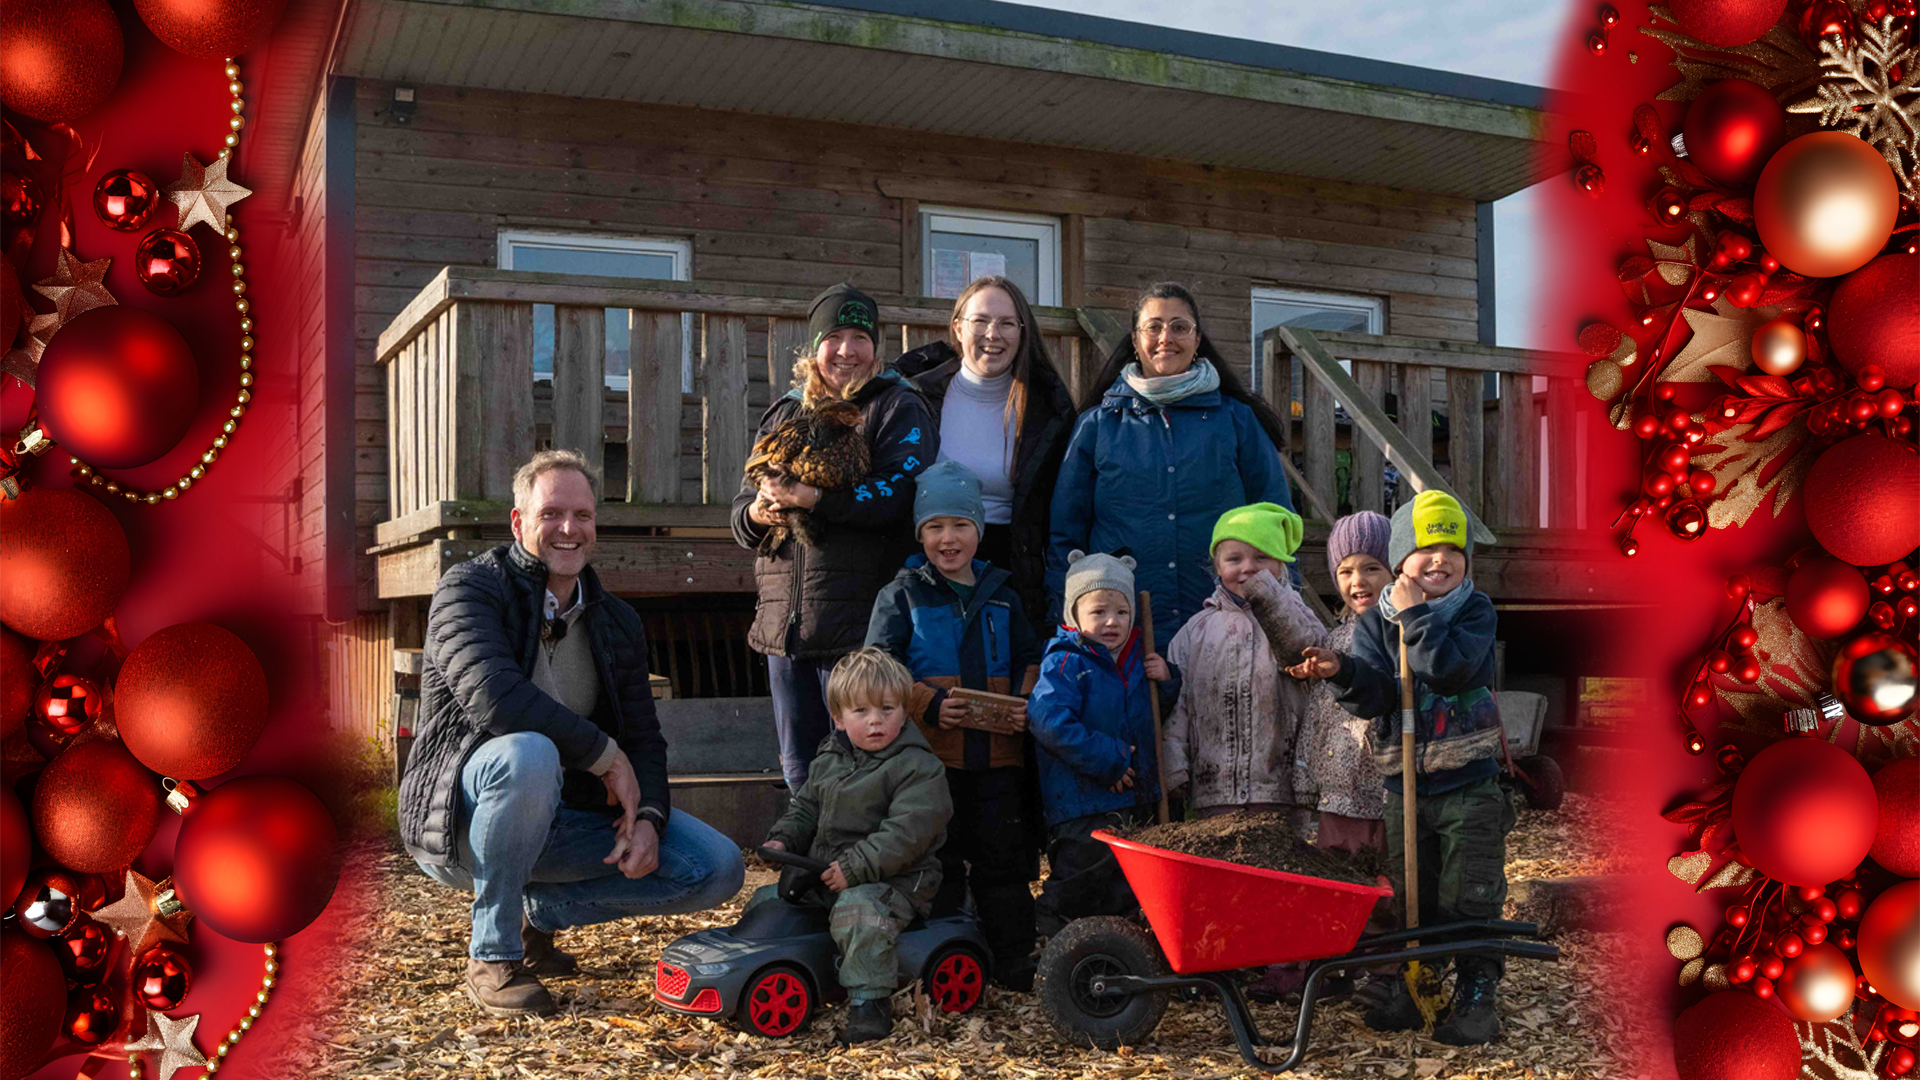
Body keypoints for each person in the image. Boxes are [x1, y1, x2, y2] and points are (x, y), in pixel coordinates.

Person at [401, 450, 746, 1018]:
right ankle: (494, 955)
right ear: (519, 522)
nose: (569, 529)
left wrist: (651, 818)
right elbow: (496, 699)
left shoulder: (617, 621)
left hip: (562, 820)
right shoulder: (469, 589)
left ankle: (538, 913)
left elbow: (644, 736)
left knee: (716, 866)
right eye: (552, 513)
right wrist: (604, 756)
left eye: (582, 515)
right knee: (528, 753)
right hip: (461, 819)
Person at [1291, 491, 1510, 1046]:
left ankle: (1478, 996)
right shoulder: (1374, 624)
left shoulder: (1473, 611)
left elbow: (1452, 670)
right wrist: (1341, 670)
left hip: (1469, 783)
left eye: (1451, 550)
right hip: (1406, 786)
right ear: (1403, 559)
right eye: (1425, 549)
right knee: (1416, 893)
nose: (1440, 560)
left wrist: (1414, 614)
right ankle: (1420, 989)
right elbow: (1376, 698)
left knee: (1472, 892)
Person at [732, 283, 939, 791]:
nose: (847, 350)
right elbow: (740, 511)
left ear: (876, 346)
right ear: (814, 346)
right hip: (786, 625)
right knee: (799, 772)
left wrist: (815, 499)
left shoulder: (896, 406)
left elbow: (900, 496)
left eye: (860, 337)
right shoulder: (784, 412)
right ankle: (809, 870)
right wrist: (758, 513)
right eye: (835, 337)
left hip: (859, 625)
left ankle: (857, 870)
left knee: (858, 769)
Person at [864, 460, 1043, 990]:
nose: (949, 538)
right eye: (935, 527)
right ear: (920, 533)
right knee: (934, 860)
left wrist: (1025, 699)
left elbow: (1032, 658)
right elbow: (878, 667)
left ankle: (1013, 960)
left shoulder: (1004, 597)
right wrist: (928, 703)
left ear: (979, 531)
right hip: (928, 763)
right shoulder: (901, 595)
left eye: (961, 525)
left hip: (998, 761)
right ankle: (938, 958)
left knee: (1003, 863)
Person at [1048, 281, 1295, 647]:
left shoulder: (1237, 421)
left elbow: (1278, 519)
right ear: (1135, 339)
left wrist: (1285, 612)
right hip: (1123, 635)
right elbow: (1066, 535)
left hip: (1225, 627)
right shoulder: (1098, 426)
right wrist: (1065, 616)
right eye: (1154, 327)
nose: (1167, 337)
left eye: (1180, 327)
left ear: (1197, 340)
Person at [760, 648, 953, 1046]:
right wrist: (784, 838)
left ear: (905, 710)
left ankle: (869, 1001)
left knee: (858, 912)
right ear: (838, 718)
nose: (876, 720)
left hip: (898, 880)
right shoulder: (830, 759)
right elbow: (806, 808)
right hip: (831, 872)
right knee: (767, 903)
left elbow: (908, 832)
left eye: (887, 708)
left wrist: (856, 867)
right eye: (861, 711)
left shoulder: (918, 767)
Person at [895, 276, 1077, 637]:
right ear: (958, 328)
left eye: (1007, 323)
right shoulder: (913, 396)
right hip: (927, 565)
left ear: (1023, 333)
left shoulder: (1049, 411)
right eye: (980, 320)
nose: (993, 334)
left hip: (1010, 571)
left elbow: (1063, 513)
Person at [1027, 551, 1177, 934]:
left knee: (1126, 880)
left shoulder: (1140, 658)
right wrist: (1107, 759)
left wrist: (1169, 679)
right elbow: (1047, 720)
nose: (1112, 622)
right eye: (1098, 612)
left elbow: (1155, 712)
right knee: (1083, 872)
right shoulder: (1066, 662)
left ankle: (1116, 946)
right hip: (1084, 800)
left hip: (1136, 794)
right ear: (1073, 617)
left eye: (1122, 612)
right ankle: (1048, 931)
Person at [1163, 501, 1319, 823]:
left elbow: (1306, 650)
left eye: (1261, 557)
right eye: (1234, 559)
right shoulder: (1195, 632)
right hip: (1214, 790)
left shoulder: (1297, 614)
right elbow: (1177, 703)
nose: (1248, 568)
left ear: (1281, 565)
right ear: (1217, 566)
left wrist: (1272, 599)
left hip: (1281, 788)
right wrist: (1174, 763)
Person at [1293, 511, 1392, 855]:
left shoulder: (1402, 635)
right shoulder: (1334, 641)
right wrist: (1304, 780)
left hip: (1386, 793)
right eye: (1346, 571)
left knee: (1387, 883)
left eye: (1372, 568)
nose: (1358, 581)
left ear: (1395, 572)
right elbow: (1317, 714)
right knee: (1339, 880)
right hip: (1337, 793)